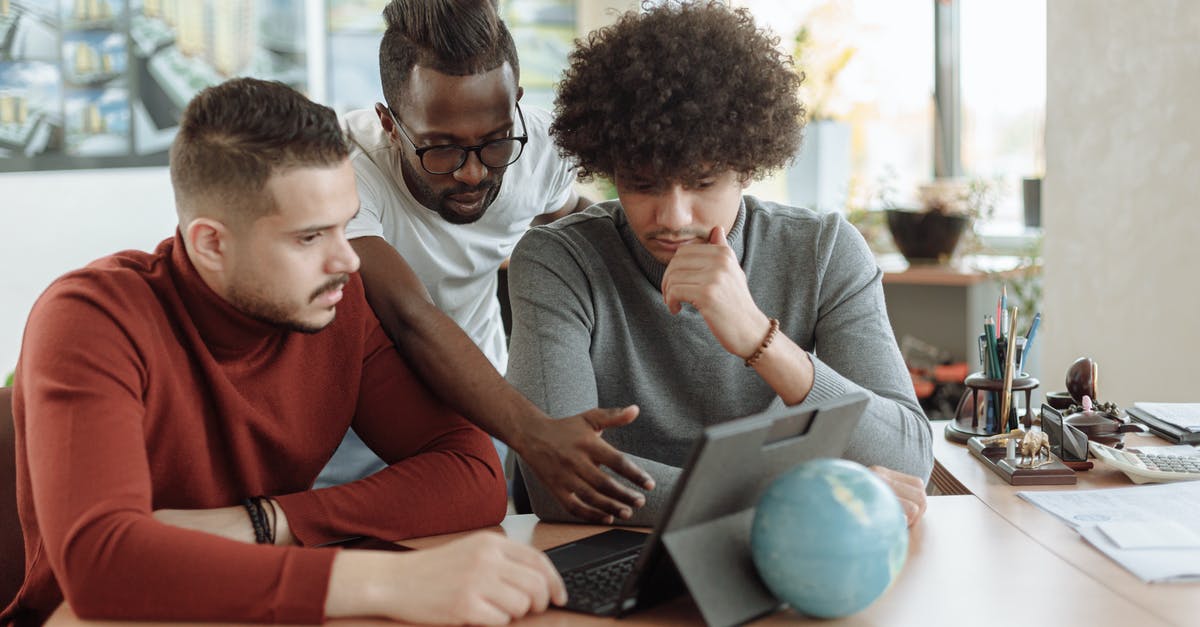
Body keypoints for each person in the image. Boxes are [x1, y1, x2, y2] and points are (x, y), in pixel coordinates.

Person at [1, 78, 564, 626]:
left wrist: (266, 521)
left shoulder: (337, 306)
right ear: (211, 243)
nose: (347, 260)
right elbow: (102, 565)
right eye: (310, 237)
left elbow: (469, 472)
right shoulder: (90, 318)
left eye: (344, 227)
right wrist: (386, 582)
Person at [506, 1, 932, 528]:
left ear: (748, 166)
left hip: (783, 557)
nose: (672, 216)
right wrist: (798, 495)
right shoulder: (559, 262)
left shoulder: (823, 251)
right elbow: (558, 485)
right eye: (641, 184)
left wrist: (759, 338)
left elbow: (909, 462)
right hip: (624, 557)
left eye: (703, 182)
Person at [323, 0, 652, 523]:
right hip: (355, 429)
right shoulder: (339, 166)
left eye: (495, 142)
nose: (473, 173)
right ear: (389, 123)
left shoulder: (538, 146)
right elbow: (409, 316)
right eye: (442, 149)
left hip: (483, 411)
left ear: (516, 105)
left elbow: (576, 228)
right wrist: (534, 433)